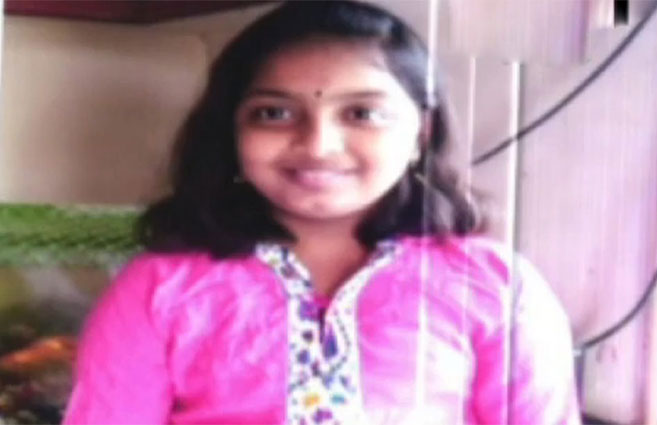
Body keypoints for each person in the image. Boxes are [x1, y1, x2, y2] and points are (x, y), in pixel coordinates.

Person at [62, 1, 580, 424]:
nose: (318, 144)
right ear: (232, 131)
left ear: (420, 134)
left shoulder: (491, 288)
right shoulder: (159, 290)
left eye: (363, 113)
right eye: (274, 113)